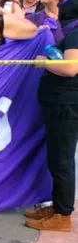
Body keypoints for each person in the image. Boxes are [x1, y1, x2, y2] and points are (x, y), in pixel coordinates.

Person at [26, 24, 78, 231]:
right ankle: (58, 207)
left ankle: (62, 215)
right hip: (65, 103)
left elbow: (70, 68)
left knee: (61, 160)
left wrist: (45, 63)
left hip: (65, 104)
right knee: (59, 158)